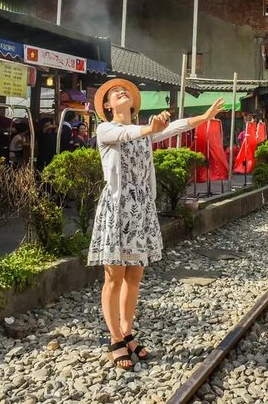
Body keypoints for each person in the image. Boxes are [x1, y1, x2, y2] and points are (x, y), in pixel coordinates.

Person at [89, 78, 225, 371]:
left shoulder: (143, 133)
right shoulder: (106, 129)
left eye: (124, 91)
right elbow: (136, 133)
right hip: (118, 208)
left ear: (134, 104)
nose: (121, 92)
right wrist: (151, 128)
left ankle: (127, 332)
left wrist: (202, 118)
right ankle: (114, 339)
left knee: (134, 275)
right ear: (108, 106)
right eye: (114, 93)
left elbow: (174, 127)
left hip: (140, 209)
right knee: (114, 276)